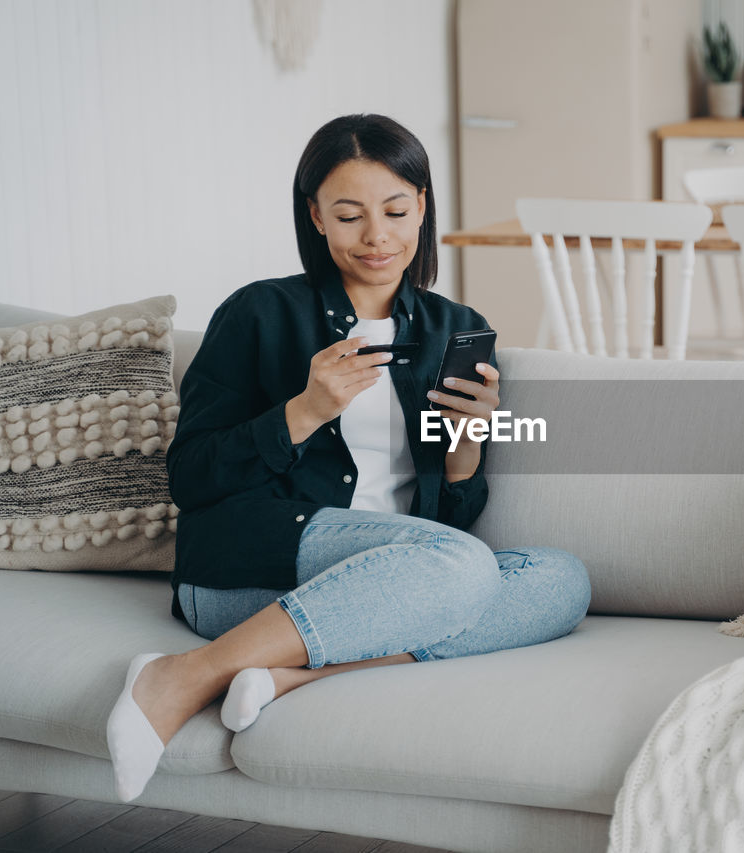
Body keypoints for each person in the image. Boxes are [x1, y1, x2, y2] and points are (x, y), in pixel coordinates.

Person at [105, 114, 591, 803]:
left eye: (396, 210)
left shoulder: (456, 327)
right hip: (253, 571)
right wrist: (303, 412)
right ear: (316, 217)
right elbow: (192, 478)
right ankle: (181, 674)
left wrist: (467, 444)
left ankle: (292, 676)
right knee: (459, 567)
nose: (377, 236)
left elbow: (453, 517)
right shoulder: (258, 314)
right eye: (350, 215)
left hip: (393, 582)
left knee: (561, 579)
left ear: (422, 204)